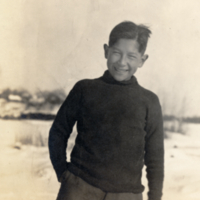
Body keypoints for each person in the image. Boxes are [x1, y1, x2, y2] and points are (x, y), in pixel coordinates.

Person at [48, 21, 164, 200]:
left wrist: (155, 197)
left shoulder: (149, 101)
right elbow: (58, 131)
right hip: (80, 189)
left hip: (127, 194)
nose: (122, 62)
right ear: (106, 51)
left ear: (142, 60)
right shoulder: (85, 89)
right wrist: (62, 172)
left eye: (131, 56)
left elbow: (155, 157)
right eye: (116, 53)